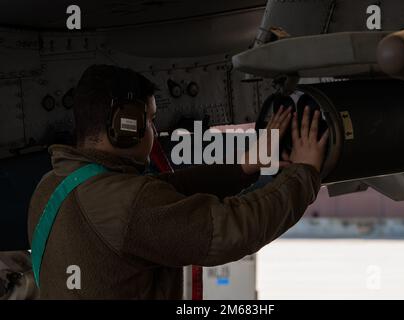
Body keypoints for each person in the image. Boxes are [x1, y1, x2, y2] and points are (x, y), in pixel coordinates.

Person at [28, 64, 329, 299]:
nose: (154, 131)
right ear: (125, 125)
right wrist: (302, 174)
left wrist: (243, 166)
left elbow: (161, 193)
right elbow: (230, 229)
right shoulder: (129, 205)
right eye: (150, 120)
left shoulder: (51, 187)